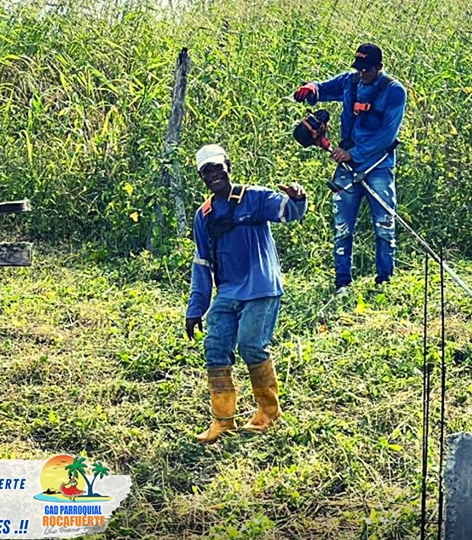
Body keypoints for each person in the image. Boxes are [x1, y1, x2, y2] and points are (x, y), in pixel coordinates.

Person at [185, 143, 308, 444]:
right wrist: (195, 308)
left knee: (251, 345)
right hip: (228, 292)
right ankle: (222, 422)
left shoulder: (253, 197)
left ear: (228, 166)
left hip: (261, 287)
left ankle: (268, 413)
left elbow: (288, 211)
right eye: (206, 171)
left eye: (218, 168)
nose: (214, 174)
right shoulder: (204, 215)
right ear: (202, 177)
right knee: (215, 348)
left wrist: (297, 198)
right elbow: (203, 263)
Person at [293, 42, 407, 293]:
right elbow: (323, 89)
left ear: (379, 67)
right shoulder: (350, 81)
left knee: (384, 226)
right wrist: (311, 89)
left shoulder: (394, 92)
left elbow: (387, 136)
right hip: (347, 168)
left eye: (367, 69)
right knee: (342, 227)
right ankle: (342, 283)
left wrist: (352, 153)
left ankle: (384, 282)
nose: (362, 73)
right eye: (359, 68)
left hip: (378, 166)